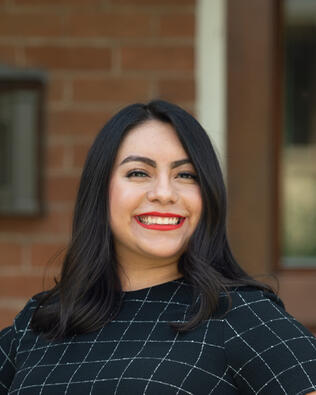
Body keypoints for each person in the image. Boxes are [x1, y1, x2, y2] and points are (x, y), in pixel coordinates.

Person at [0, 100, 315, 395]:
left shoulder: (240, 316)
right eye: (139, 173)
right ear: (100, 190)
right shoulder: (41, 321)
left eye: (185, 175)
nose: (164, 193)